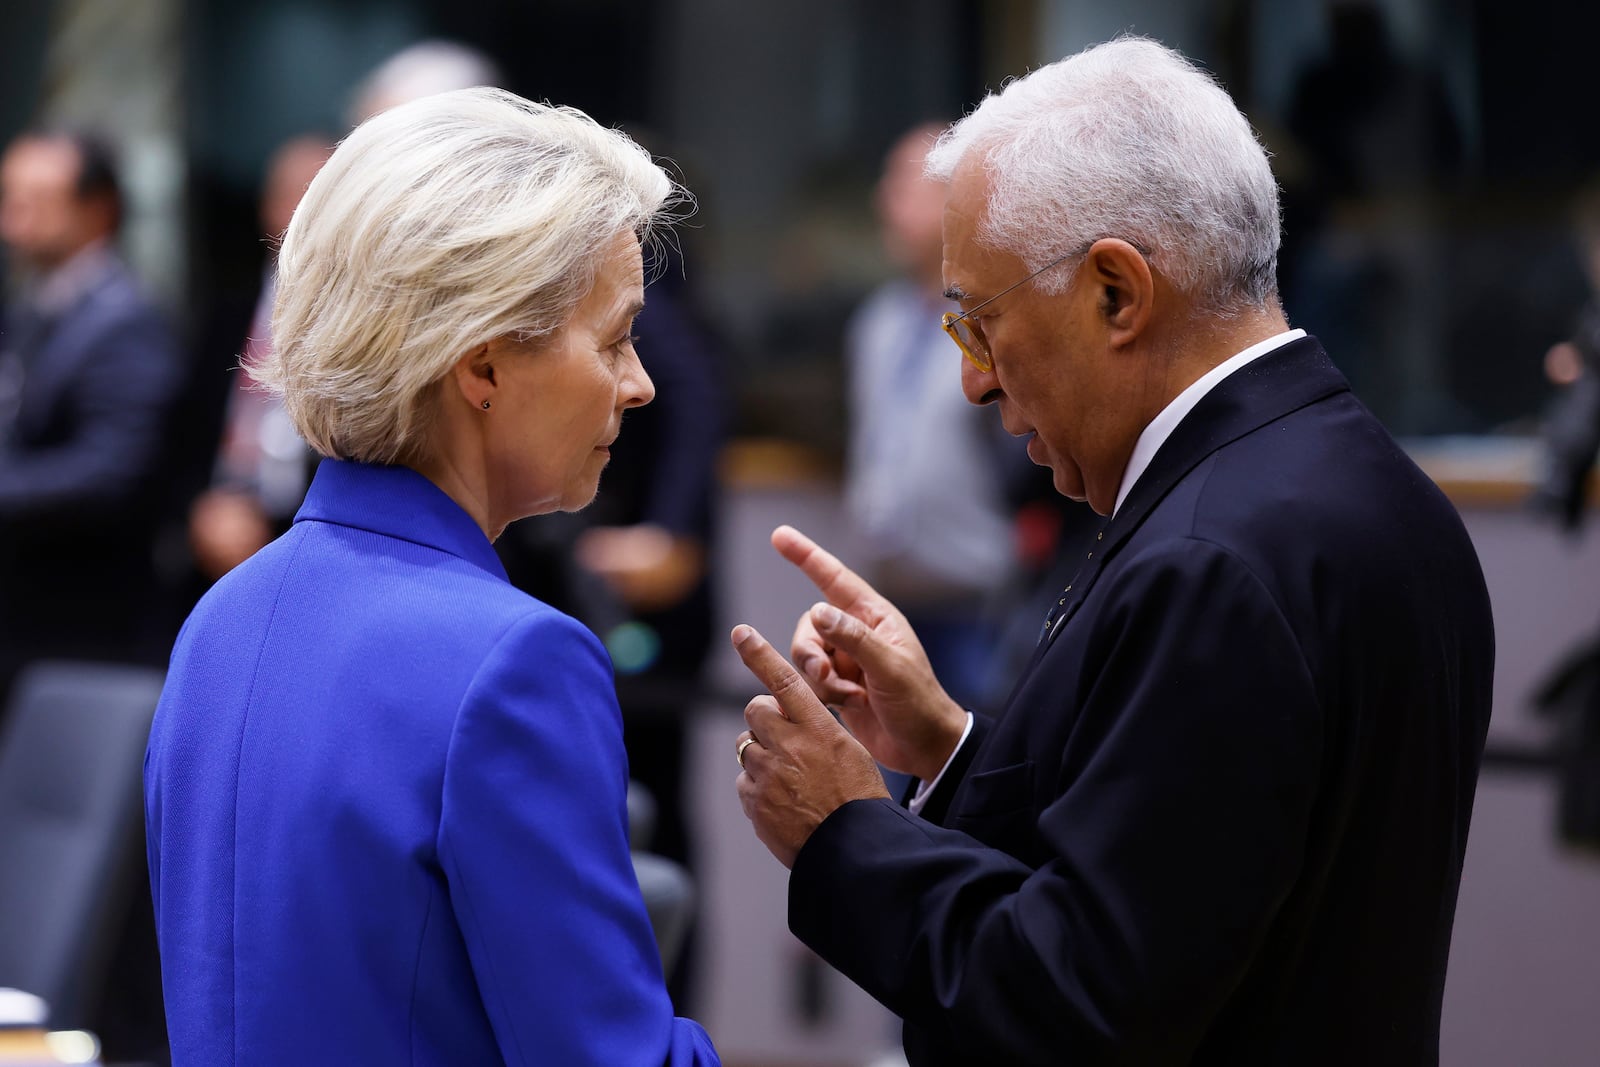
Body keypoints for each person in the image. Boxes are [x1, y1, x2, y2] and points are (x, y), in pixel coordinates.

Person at [727, 37, 1493, 1065]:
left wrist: (845, 829)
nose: (975, 381)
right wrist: (950, 745)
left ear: (1116, 294)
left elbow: (1076, 1011)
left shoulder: (1211, 556)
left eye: (978, 324)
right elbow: (1175, 878)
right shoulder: (1362, 485)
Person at [144, 88, 719, 1065]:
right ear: (484, 364)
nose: (640, 382)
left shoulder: (222, 614)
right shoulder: (513, 660)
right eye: (615, 337)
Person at [841, 122, 1019, 709]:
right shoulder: (876, 324)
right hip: (888, 596)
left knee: (977, 777)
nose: (882, 203)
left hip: (982, 604)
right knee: (892, 781)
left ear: (956, 200)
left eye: (902, 186)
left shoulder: (999, 319)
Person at [0, 128, 182, 705]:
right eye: (9, 196)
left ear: (98, 209)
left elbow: (114, 469)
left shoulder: (127, 318)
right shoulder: (33, 306)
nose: (12, 218)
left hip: (81, 615)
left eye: (35, 199)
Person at [187, 134, 333, 581]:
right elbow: (185, 433)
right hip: (216, 514)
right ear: (265, 208)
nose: (301, 211)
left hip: (312, 524)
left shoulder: (366, 323)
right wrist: (200, 509)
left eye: (319, 195)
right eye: (290, 193)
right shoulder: (226, 310)